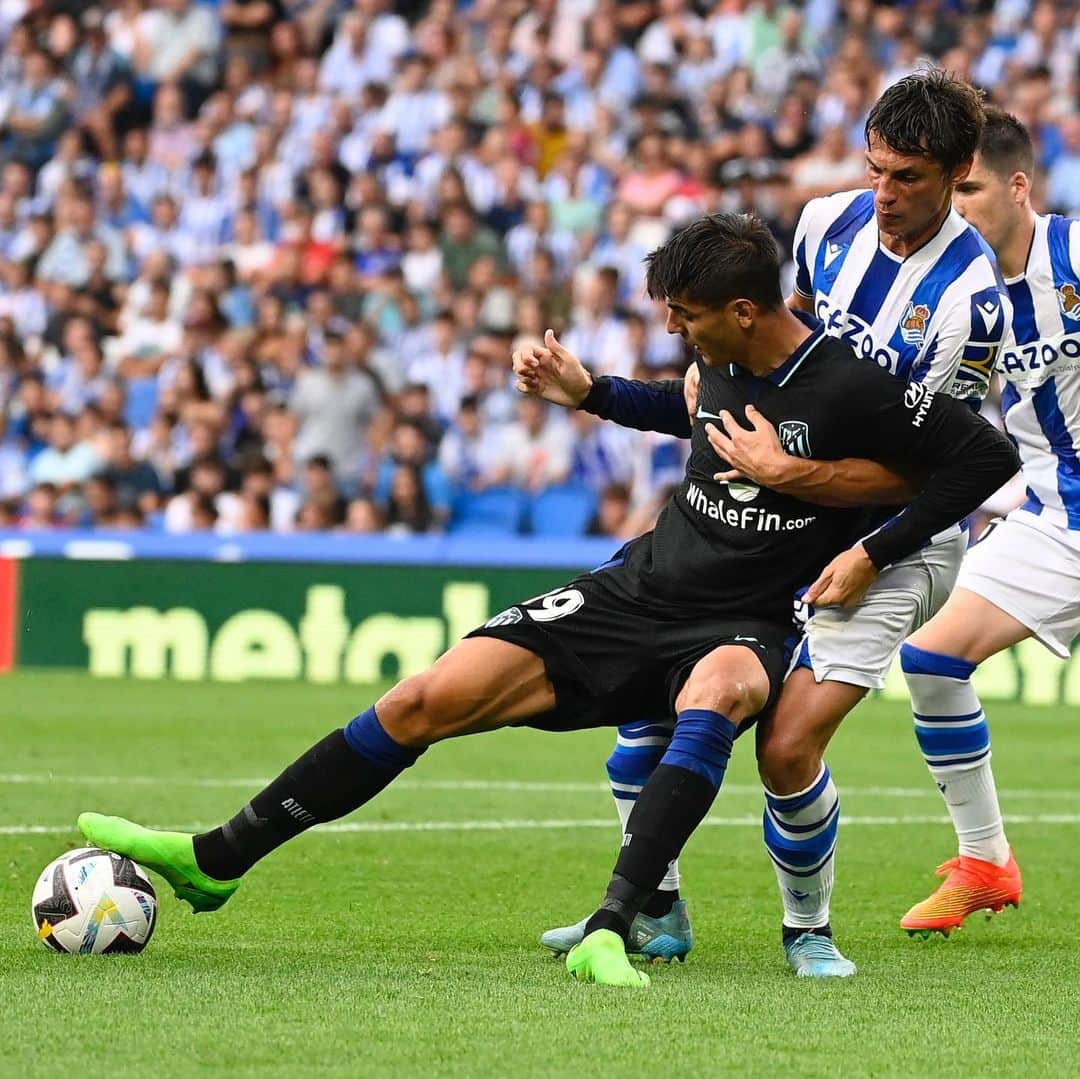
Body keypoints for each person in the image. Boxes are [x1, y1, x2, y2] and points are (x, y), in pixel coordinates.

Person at [74, 213, 1018, 989]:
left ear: (742, 309)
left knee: (724, 692)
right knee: (420, 699)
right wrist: (590, 392)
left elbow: (986, 459)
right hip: (633, 588)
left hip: (746, 622)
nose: (677, 332)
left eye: (687, 316)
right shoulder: (717, 357)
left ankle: (619, 921)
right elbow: (683, 408)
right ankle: (217, 858)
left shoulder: (852, 383)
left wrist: (868, 553)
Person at [540, 69, 1014, 977]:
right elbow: (767, 382)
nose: (884, 193)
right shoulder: (827, 226)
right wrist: (617, 394)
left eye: (908, 177)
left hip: (896, 538)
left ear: (959, 174)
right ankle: (655, 914)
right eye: (875, 168)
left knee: (786, 742)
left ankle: (808, 932)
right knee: (639, 737)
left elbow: (938, 469)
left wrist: (860, 543)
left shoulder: (969, 303)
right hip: (778, 528)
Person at [895, 109, 1080, 934]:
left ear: (1016, 185)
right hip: (1051, 516)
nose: (959, 204)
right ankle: (986, 862)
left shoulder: (1074, 253)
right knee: (932, 658)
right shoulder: (965, 296)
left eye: (969, 188)